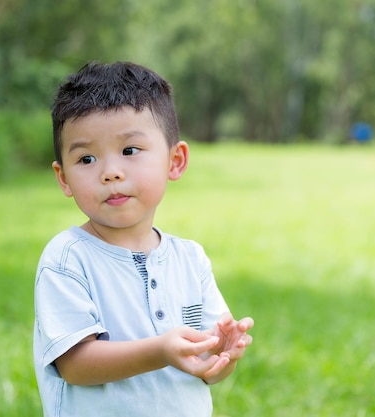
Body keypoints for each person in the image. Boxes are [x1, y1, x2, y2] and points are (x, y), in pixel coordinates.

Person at [33, 61, 254, 417]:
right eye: (86, 158)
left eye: (130, 151)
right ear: (63, 178)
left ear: (175, 160)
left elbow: (206, 366)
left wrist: (221, 355)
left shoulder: (190, 258)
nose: (111, 172)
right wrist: (160, 350)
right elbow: (74, 364)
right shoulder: (68, 258)